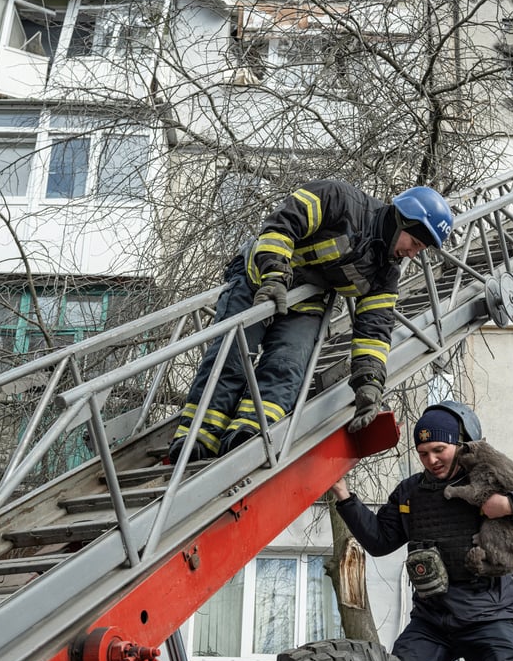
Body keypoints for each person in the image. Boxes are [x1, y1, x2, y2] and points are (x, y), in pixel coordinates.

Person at [168, 179, 454, 463]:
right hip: (257, 281)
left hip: (305, 302)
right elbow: (282, 224)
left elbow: (374, 330)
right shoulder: (339, 199)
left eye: (420, 250)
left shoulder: (385, 273)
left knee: (287, 367)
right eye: (414, 242)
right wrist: (275, 275)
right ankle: (197, 437)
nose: (412, 253)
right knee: (231, 359)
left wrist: (369, 384)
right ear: (402, 219)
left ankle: (250, 434)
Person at [330, 402, 513, 661]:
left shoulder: (491, 478)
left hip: (490, 617)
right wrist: (345, 496)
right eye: (422, 453)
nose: (430, 460)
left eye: (439, 449)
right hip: (432, 621)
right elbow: (380, 541)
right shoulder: (410, 493)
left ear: (460, 444)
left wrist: (510, 504)